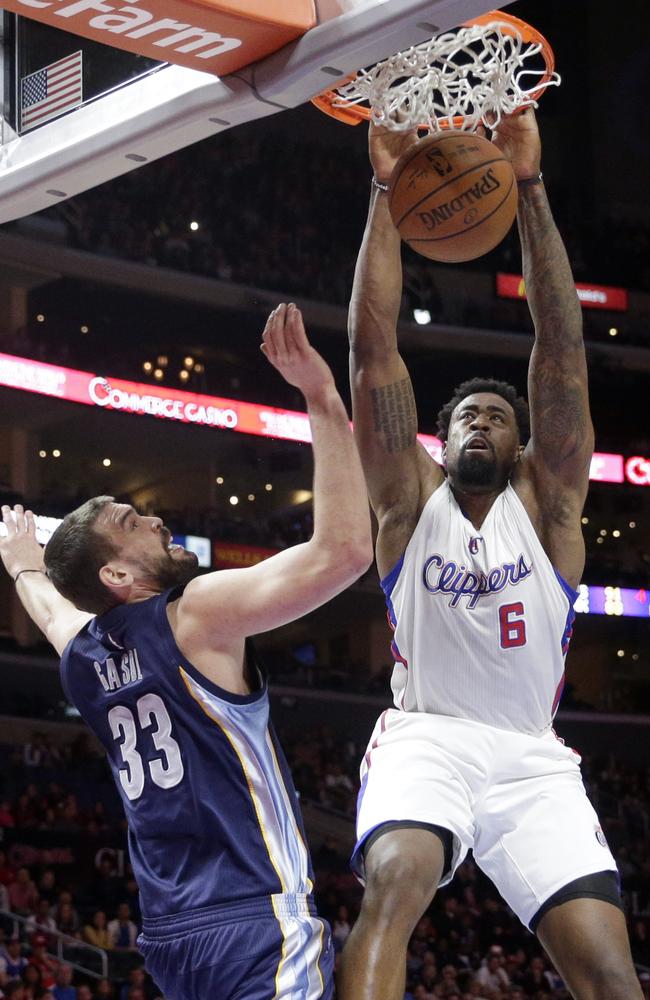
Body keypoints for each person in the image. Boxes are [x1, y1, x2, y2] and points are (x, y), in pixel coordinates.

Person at [340, 109, 642, 1000]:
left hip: (530, 759)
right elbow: (372, 348)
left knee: (610, 973)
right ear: (438, 440)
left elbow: (562, 349)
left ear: (521, 447)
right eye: (465, 414)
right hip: (426, 737)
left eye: (498, 416)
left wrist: (534, 189)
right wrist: (385, 192)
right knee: (392, 890)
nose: (480, 419)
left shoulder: (549, 511)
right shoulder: (408, 501)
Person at [0, 303, 373, 1000]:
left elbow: (52, 611)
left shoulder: (84, 657)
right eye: (131, 523)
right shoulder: (192, 616)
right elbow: (347, 551)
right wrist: (321, 396)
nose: (156, 517)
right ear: (118, 577)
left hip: (172, 935)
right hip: (253, 916)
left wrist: (22, 564)